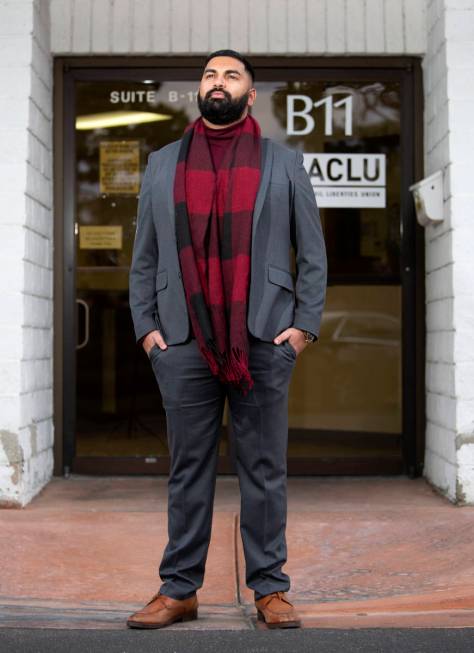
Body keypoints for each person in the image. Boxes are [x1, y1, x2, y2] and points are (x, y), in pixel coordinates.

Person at [127, 49, 327, 630]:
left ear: (249, 93)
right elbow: (145, 256)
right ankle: (179, 589)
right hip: (182, 338)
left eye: (231, 75)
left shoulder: (283, 164)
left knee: (264, 468)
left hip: (262, 335)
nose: (218, 83)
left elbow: (312, 254)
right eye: (210, 75)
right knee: (188, 469)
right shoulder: (163, 163)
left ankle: (270, 588)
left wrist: (302, 329)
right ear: (200, 89)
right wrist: (148, 330)